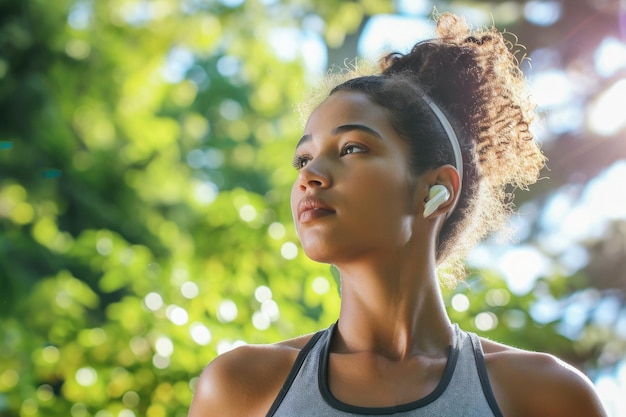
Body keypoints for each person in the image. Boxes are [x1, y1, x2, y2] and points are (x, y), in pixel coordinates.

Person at [188, 12, 608, 417]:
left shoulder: (547, 396)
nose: (310, 176)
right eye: (303, 159)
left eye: (352, 148)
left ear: (436, 190)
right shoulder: (240, 387)